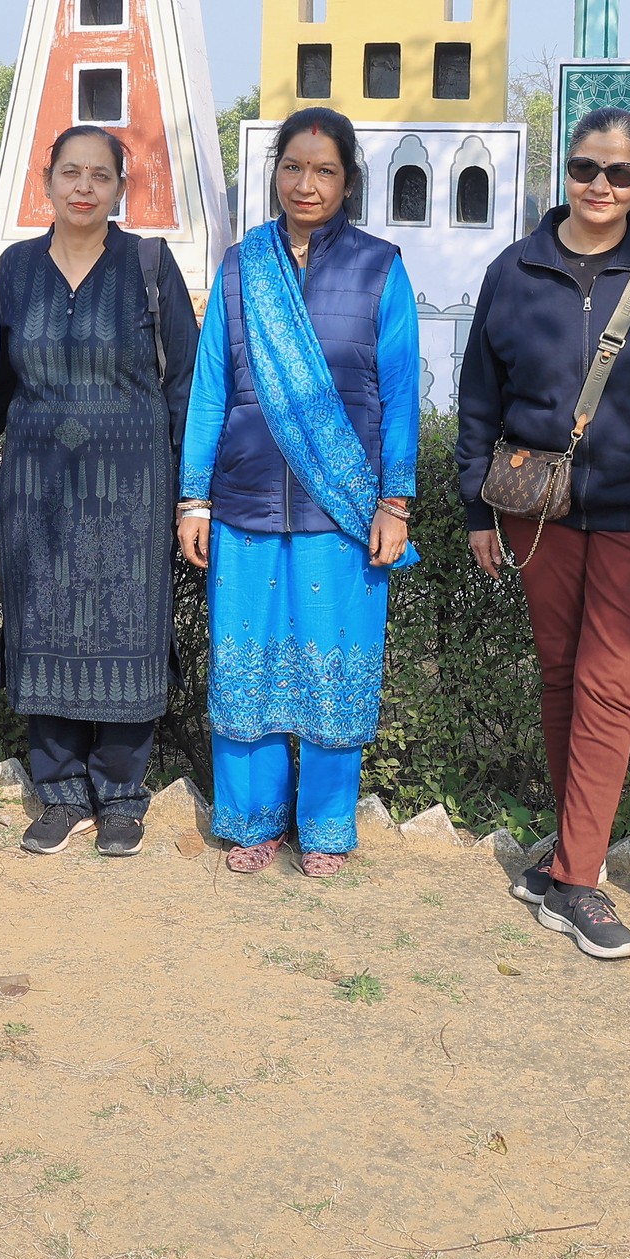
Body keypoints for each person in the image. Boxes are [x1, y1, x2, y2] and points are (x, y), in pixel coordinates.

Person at [457, 108, 630, 958]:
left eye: (620, 172)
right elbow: (478, 396)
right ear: (566, 170)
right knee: (562, 678)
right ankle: (568, 857)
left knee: (608, 686)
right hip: (538, 510)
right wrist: (476, 509)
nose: (601, 185)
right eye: (586, 168)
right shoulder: (516, 268)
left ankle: (576, 878)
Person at [179, 107, 418, 879]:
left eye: (324, 170)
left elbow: (400, 396)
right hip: (245, 503)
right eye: (292, 166)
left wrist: (395, 502)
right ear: (274, 170)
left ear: (348, 180)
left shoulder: (380, 268)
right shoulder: (241, 266)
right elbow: (211, 388)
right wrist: (194, 497)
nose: (305, 183)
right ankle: (251, 820)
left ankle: (324, 828)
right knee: (245, 670)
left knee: (330, 669)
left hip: (342, 513)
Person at [0, 126, 198, 858]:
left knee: (129, 631)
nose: (84, 187)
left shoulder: (148, 264)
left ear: (120, 189)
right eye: (70, 172)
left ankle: (123, 798)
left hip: (132, 492)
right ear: (46, 181)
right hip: (36, 488)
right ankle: (62, 794)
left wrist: (191, 491)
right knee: (40, 628)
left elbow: (185, 382)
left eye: (100, 175)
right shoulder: (15, 268)